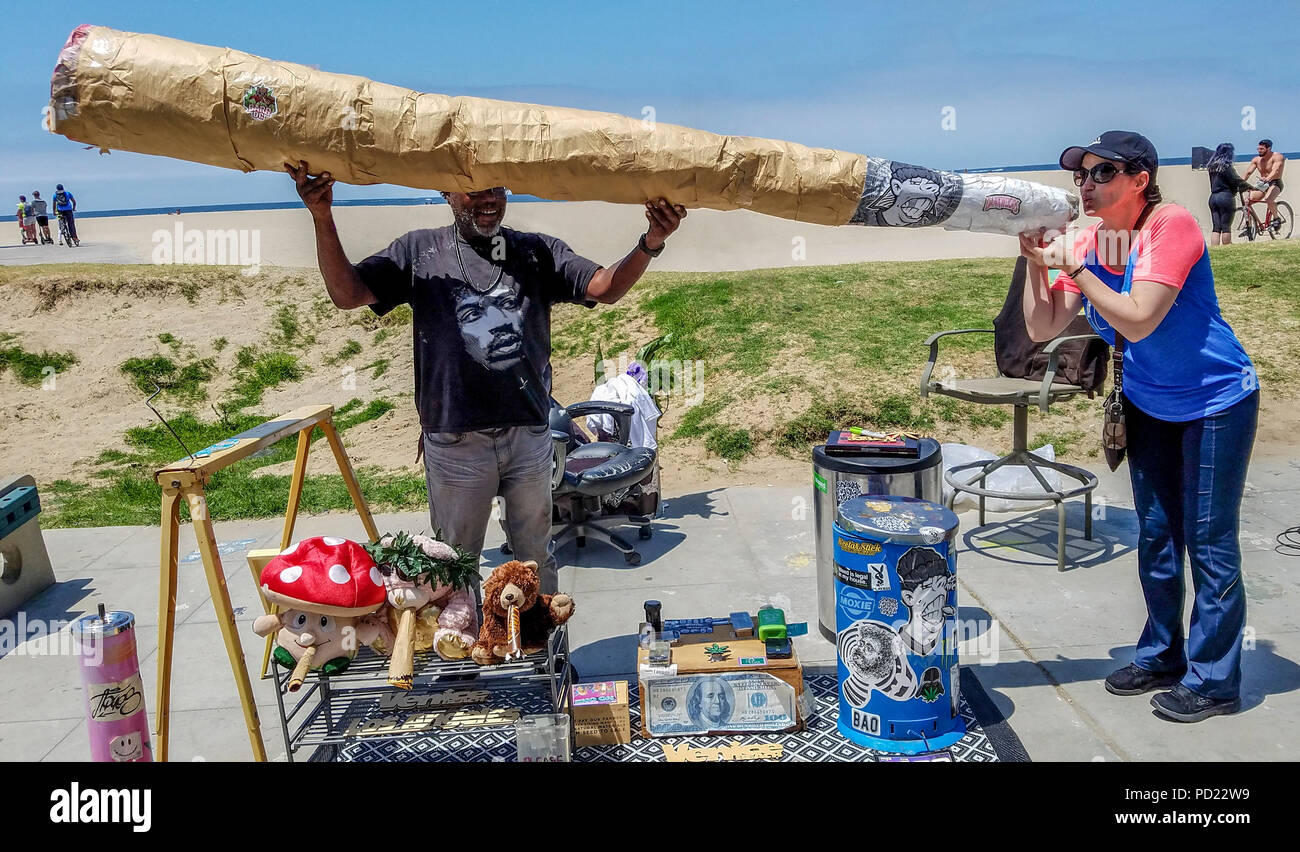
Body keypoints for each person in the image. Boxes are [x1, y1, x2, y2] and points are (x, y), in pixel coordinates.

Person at [287, 161, 685, 596]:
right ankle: (464, 659)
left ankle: (543, 655)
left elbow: (605, 288)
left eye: (495, 186)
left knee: (534, 560)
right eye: (471, 190)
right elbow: (347, 294)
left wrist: (651, 243)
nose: (487, 199)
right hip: (455, 442)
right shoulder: (419, 252)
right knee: (454, 566)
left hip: (530, 438)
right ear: (446, 193)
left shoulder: (536, 252)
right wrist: (322, 216)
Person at [1019, 131, 1258, 723]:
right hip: (1151, 403)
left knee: (1209, 543)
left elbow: (1141, 319)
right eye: (1081, 175)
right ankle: (1161, 655)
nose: (1086, 184)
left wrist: (1077, 266)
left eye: (1101, 173)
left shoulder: (1169, 226)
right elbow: (1044, 325)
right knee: (1156, 535)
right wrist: (1032, 265)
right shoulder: (1094, 239)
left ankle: (1214, 680)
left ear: (1139, 179)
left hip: (1216, 402)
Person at [1205, 144, 1253, 245]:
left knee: (1216, 227)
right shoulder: (1226, 167)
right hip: (1225, 197)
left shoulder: (1211, 166)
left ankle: (1215, 248)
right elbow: (1236, 180)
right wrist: (1249, 186)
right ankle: (1227, 246)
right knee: (1226, 226)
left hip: (1213, 197)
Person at [1242, 138, 1285, 232]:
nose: (1259, 151)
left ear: (1268, 149)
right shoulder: (1257, 160)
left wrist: (1268, 178)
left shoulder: (1277, 157)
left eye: (1262, 149)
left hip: (1275, 182)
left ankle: (1276, 218)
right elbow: (1248, 172)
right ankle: (1250, 226)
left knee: (1268, 199)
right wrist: (1240, 183)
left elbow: (1275, 170)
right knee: (1247, 201)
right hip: (1262, 184)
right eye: (1258, 149)